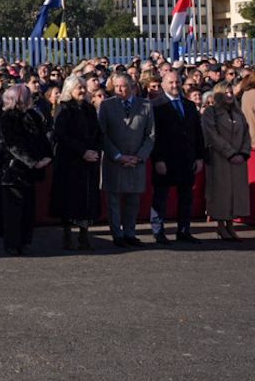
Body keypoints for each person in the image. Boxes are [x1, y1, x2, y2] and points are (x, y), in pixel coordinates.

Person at [98, 73, 155, 248]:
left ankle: (130, 233)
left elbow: (150, 135)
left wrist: (139, 157)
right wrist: (117, 156)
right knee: (114, 201)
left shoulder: (145, 105)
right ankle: (117, 234)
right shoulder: (106, 106)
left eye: (123, 86)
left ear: (132, 86)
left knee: (133, 200)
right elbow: (102, 135)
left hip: (136, 161)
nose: (120, 90)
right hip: (114, 160)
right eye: (116, 87)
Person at [150, 71, 205, 244]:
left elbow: (197, 133)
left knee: (186, 197)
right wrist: (158, 159)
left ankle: (184, 231)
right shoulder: (155, 106)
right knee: (161, 198)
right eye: (171, 83)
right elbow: (153, 135)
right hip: (165, 160)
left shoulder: (189, 105)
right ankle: (158, 231)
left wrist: (199, 157)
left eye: (177, 82)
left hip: (186, 159)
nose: (175, 86)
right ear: (164, 84)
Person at [0, 85, 52, 255]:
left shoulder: (33, 116)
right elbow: (13, 145)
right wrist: (32, 162)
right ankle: (12, 244)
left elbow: (43, 137)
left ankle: (25, 241)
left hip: (31, 170)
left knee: (29, 208)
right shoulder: (7, 118)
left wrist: (46, 156)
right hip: (14, 170)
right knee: (14, 209)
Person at [51, 75, 102, 251]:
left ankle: (84, 235)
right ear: (70, 90)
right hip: (70, 161)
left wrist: (94, 150)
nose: (81, 91)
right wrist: (82, 152)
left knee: (87, 199)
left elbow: (97, 132)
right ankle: (67, 235)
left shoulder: (89, 108)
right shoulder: (63, 109)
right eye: (78, 88)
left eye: (83, 87)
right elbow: (62, 136)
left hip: (89, 161)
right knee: (70, 200)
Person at [201, 81, 250, 241]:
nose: (229, 95)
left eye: (231, 92)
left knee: (235, 193)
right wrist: (229, 153)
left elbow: (246, 135)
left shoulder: (238, 113)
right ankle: (221, 226)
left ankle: (231, 225)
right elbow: (212, 135)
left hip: (238, 161)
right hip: (220, 159)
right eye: (226, 93)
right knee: (220, 193)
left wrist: (243, 153)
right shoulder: (211, 112)